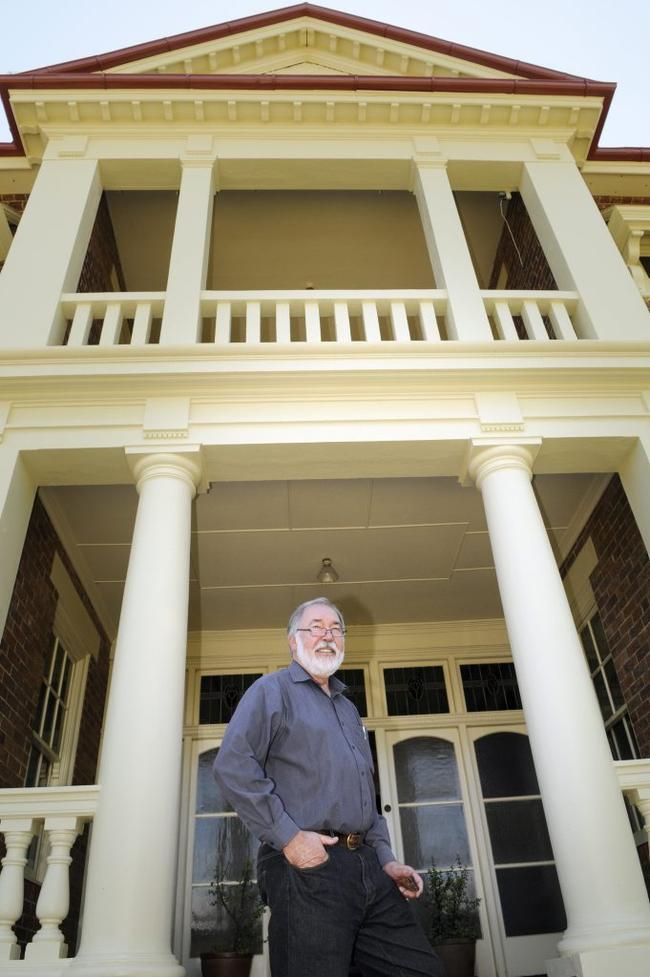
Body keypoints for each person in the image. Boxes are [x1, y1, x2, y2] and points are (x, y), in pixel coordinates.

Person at [213, 597, 445, 977]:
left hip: (367, 868)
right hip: (307, 867)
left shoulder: (348, 709)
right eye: (316, 626)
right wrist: (289, 838)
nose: (327, 635)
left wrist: (385, 858)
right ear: (293, 641)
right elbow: (233, 764)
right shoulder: (272, 690)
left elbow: (363, 797)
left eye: (335, 628)